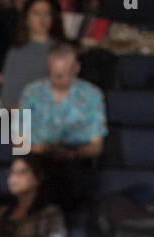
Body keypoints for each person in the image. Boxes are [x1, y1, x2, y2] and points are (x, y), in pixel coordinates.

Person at [18, 40, 106, 208]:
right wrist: (41, 148)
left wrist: (73, 153)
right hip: (38, 159)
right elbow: (19, 140)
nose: (59, 80)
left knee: (69, 174)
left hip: (76, 161)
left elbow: (96, 146)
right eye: (55, 74)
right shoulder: (32, 93)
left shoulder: (92, 95)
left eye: (64, 74)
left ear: (76, 69)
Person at [0, 0, 64, 108]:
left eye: (47, 13)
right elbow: (7, 98)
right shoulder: (16, 52)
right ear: (26, 18)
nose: (43, 18)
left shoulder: (62, 50)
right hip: (23, 115)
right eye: (37, 13)